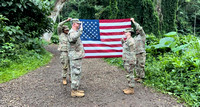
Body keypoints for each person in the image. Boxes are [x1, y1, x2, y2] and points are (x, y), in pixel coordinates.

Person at [67, 18, 85, 97]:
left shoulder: (75, 32)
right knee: (75, 73)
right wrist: (80, 32)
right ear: (74, 24)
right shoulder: (72, 32)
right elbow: (72, 39)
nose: (79, 25)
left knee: (77, 72)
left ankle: (76, 88)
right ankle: (74, 91)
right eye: (78, 23)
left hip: (77, 56)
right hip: (74, 57)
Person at [121, 28, 136, 95]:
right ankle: (129, 87)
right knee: (128, 73)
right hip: (127, 59)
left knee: (130, 74)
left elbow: (132, 51)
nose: (125, 33)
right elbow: (126, 49)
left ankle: (131, 89)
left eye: (126, 32)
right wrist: (123, 42)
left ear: (129, 33)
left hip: (129, 60)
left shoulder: (131, 41)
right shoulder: (127, 41)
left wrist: (131, 60)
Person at [131, 18, 146, 82]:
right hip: (135, 53)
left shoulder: (142, 35)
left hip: (141, 53)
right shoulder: (135, 38)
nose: (137, 31)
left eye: (138, 30)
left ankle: (142, 77)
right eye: (136, 30)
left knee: (141, 65)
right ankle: (138, 76)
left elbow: (140, 28)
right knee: (136, 65)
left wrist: (134, 22)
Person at [57, 18, 71, 85]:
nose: (67, 31)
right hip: (64, 52)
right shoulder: (60, 34)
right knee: (65, 66)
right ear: (63, 30)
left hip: (70, 52)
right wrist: (66, 20)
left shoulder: (70, 35)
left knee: (71, 65)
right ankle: (64, 78)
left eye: (68, 30)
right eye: (66, 30)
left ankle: (71, 77)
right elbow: (59, 25)